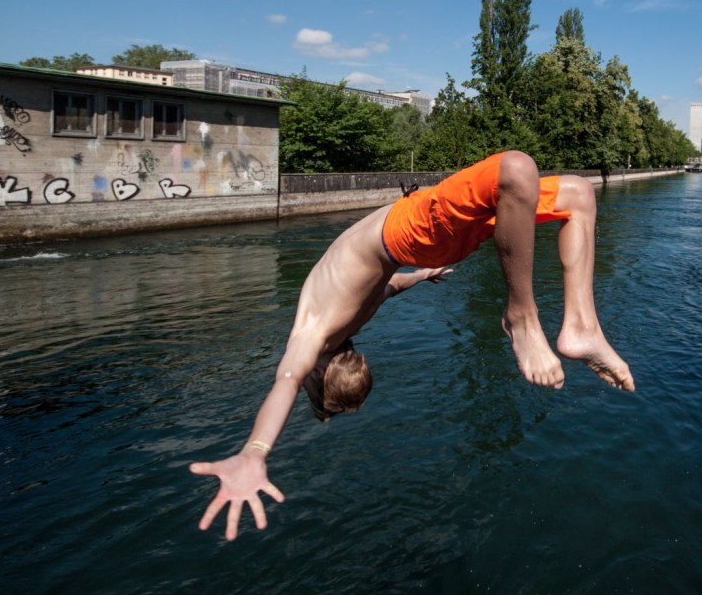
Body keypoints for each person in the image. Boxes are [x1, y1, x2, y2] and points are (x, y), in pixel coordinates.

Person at [190, 150, 634, 540]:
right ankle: (521, 316)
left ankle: (582, 326)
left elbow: (385, 289)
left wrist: (422, 275)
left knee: (578, 195)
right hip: (412, 231)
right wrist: (256, 451)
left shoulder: (336, 325)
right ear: (319, 371)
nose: (301, 374)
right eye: (310, 383)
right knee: (515, 170)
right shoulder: (315, 332)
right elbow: (287, 380)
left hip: (426, 242)